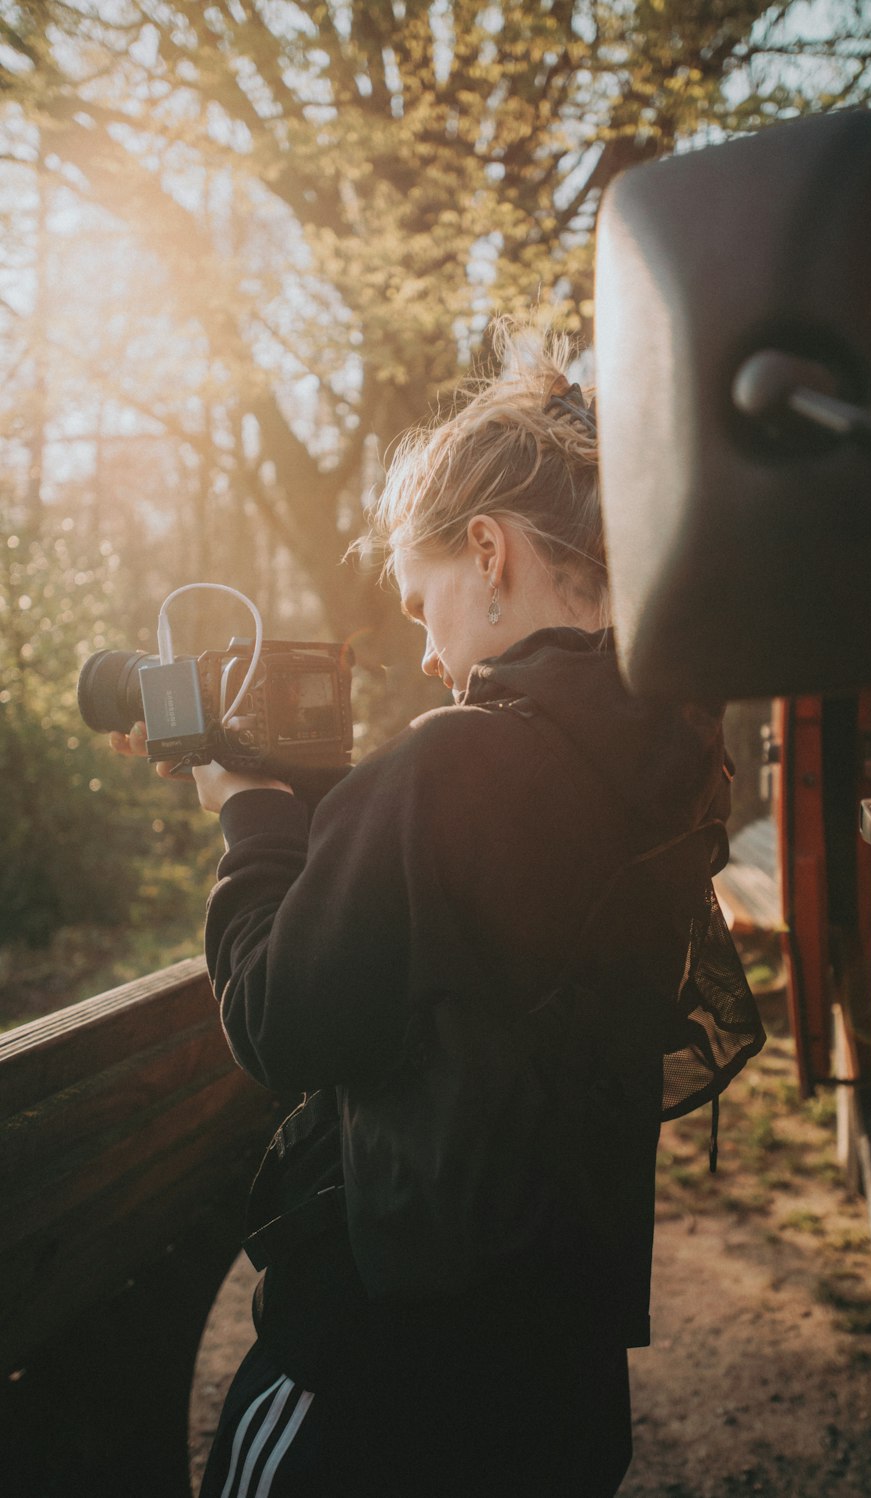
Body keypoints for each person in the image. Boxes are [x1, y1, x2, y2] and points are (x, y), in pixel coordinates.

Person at [112, 326, 763, 1497]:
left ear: (489, 550)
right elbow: (463, 914)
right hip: (556, 1378)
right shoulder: (669, 755)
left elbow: (277, 1018)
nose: (422, 653)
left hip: (383, 1386)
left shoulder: (452, 768)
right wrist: (330, 804)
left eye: (421, 606)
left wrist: (251, 815)